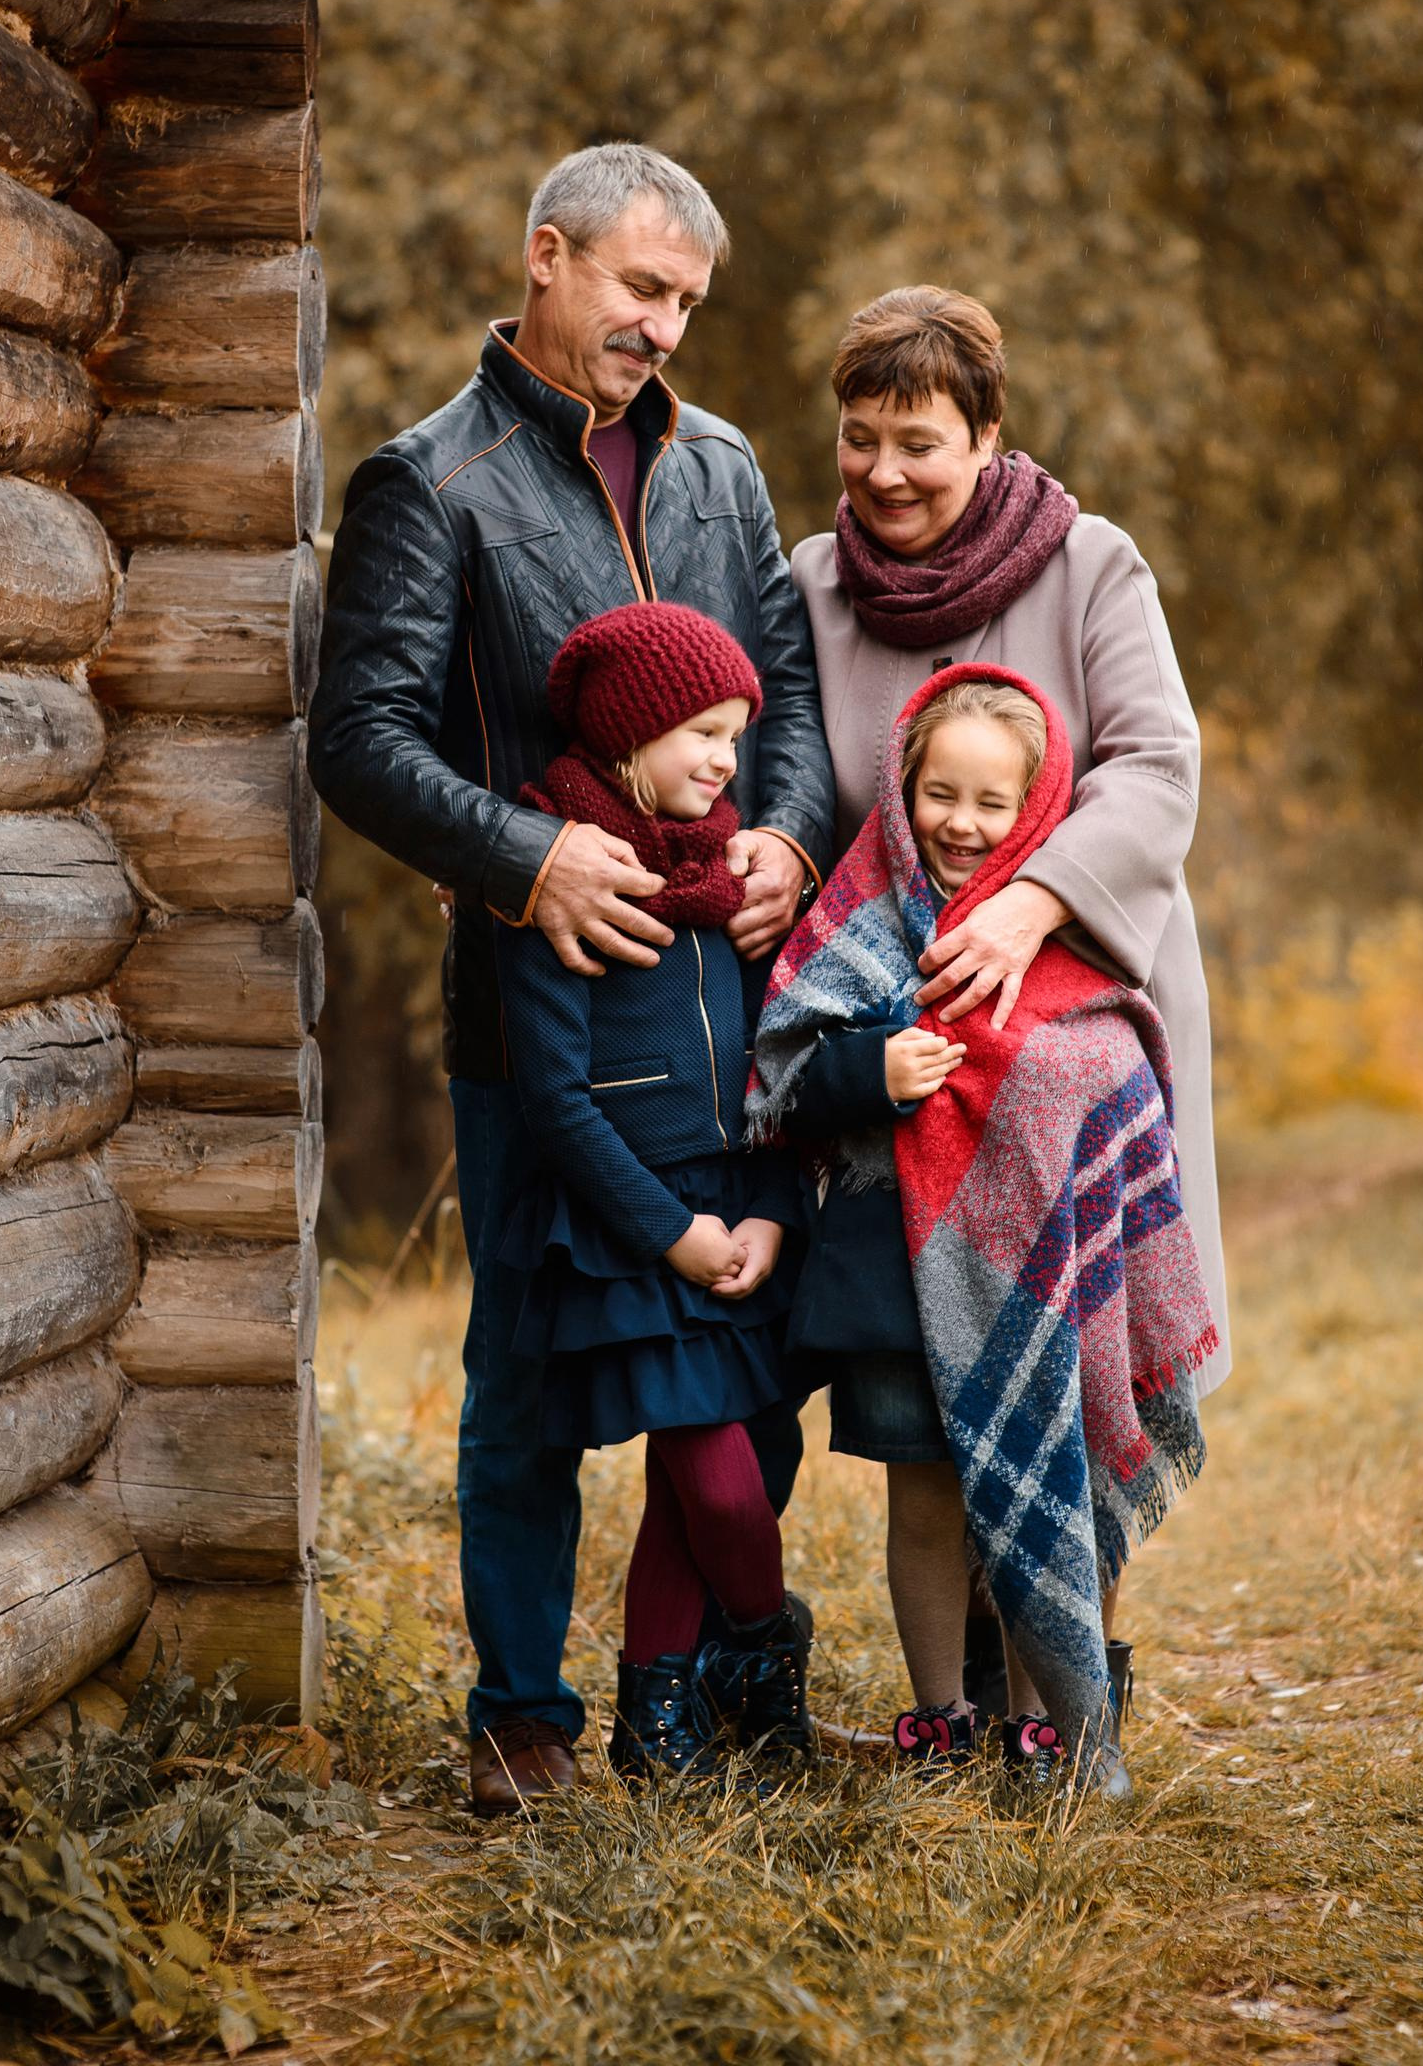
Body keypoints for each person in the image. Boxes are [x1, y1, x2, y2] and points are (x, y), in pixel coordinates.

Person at [308, 145, 834, 1816]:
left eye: (684, 302)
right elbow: (357, 741)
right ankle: (519, 1718)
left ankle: (698, 1687)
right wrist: (523, 858)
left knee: (746, 1362)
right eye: (637, 286)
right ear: (546, 256)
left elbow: (790, 703)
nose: (661, 325)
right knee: (528, 1375)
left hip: (725, 1013)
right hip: (536, 1015)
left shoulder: (723, 469)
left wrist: (790, 837)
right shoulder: (429, 482)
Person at [786, 285, 1231, 1738]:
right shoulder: (809, 586)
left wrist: (1031, 904)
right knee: (931, 1388)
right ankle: (961, 1690)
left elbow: (1155, 767)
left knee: (1071, 1339)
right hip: (912, 1062)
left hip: (1077, 1028)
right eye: (859, 439)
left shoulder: (1091, 567)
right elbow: (795, 784)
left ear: (986, 438)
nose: (884, 472)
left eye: (917, 441)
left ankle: (1066, 1683)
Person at [753, 670, 1218, 1792]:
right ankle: (939, 1719)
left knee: (1038, 1491)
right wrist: (872, 1071)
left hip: (1046, 1288)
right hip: (890, 1282)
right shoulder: (858, 920)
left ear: (1035, 807)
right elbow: (783, 1075)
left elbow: (1109, 1091)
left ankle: (1034, 1723)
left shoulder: (1064, 942)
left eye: (990, 802)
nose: (959, 824)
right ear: (899, 789)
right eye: (938, 794)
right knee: (922, 1504)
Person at [497, 603, 812, 1779]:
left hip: (738, 1208)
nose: (728, 760)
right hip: (628, 1233)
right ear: (633, 729)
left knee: (707, 1489)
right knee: (720, 1490)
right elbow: (554, 1100)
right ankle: (763, 1645)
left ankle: (655, 1715)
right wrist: (670, 1233)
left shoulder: (727, 876)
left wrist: (769, 1209)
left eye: (736, 734)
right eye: (704, 733)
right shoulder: (564, 880)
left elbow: (775, 1061)